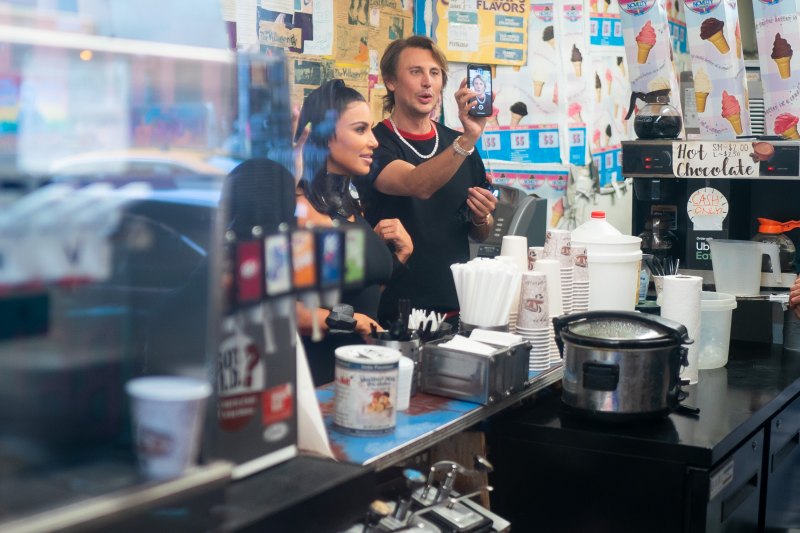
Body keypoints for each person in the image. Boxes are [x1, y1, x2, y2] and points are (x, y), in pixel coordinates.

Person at [355, 35, 497, 324]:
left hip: (456, 309)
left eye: (434, 73)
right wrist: (468, 138)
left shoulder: (459, 144)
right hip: (392, 314)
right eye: (415, 72)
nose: (427, 82)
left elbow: (479, 232)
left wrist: (482, 218)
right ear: (391, 81)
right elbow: (417, 184)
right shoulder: (373, 144)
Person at [294, 79, 414, 385]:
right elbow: (287, 313)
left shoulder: (348, 204)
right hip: (318, 379)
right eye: (360, 130)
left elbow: (356, 293)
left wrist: (399, 257)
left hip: (359, 376)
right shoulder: (304, 209)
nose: (373, 141)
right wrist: (354, 322)